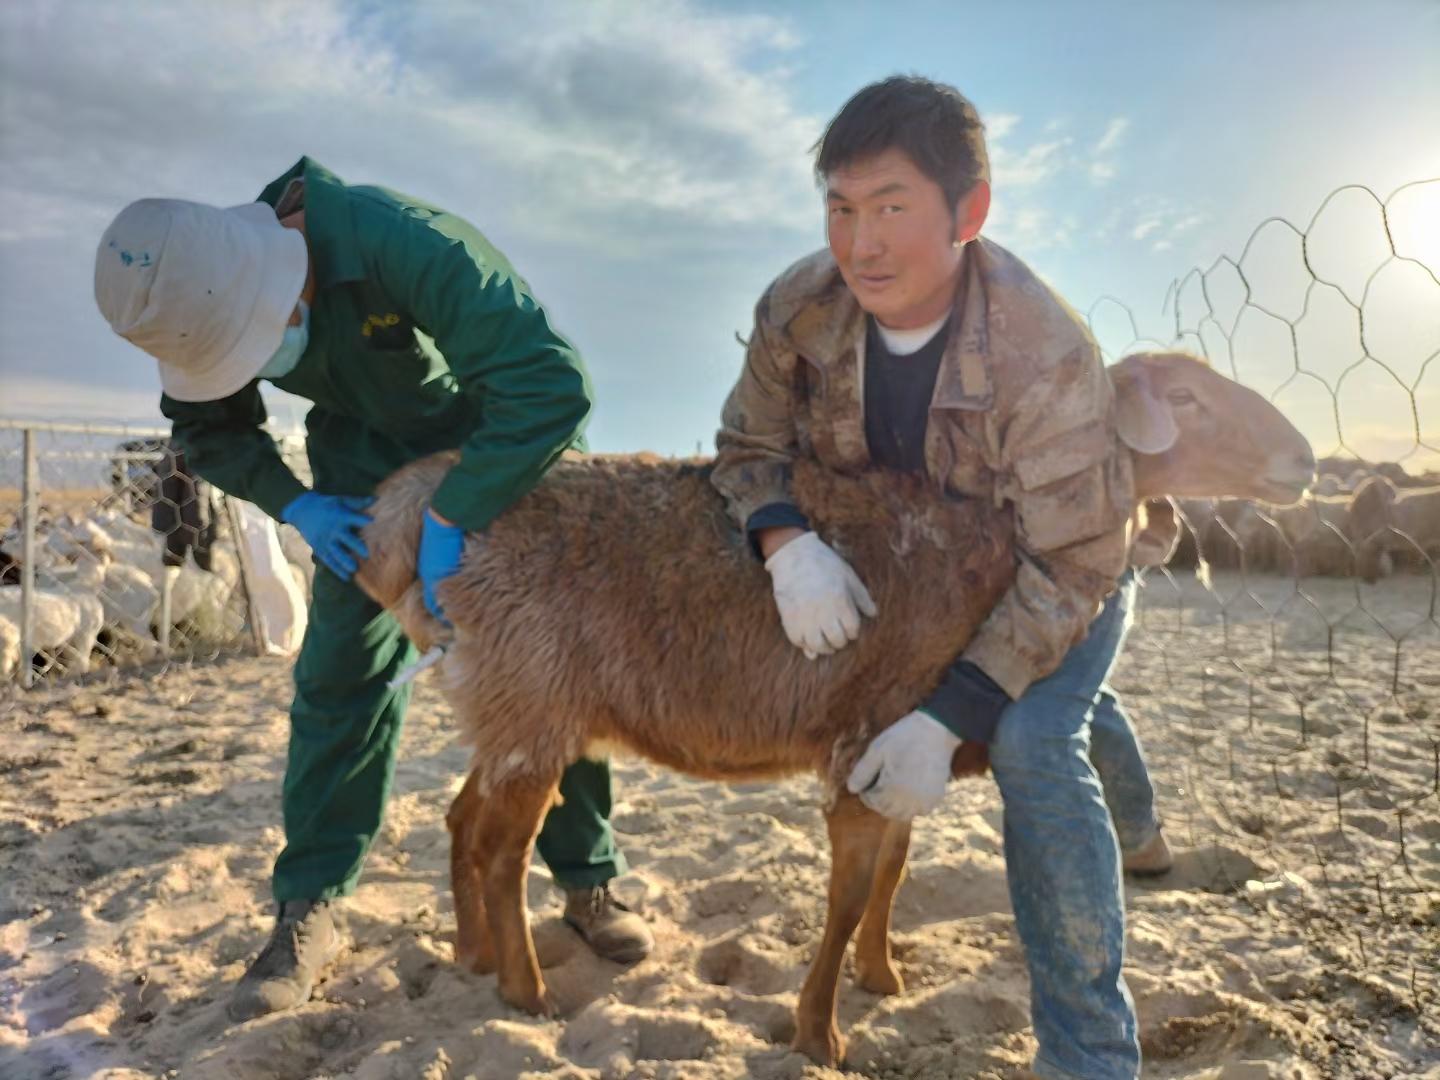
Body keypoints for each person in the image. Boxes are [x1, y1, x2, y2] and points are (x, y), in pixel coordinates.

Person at [94, 158, 652, 1022]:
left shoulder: (410, 248)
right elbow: (209, 431)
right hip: (362, 487)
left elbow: (549, 385)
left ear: (283, 273)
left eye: (262, 343)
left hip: (502, 466)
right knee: (337, 680)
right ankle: (309, 904)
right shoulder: (201, 297)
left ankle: (587, 882)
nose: (263, 362)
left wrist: (454, 515)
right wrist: (298, 505)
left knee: (551, 684)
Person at [711, 77, 1171, 1080]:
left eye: (890, 208)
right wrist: (784, 542)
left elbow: (1074, 561)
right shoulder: (799, 308)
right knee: (1071, 701)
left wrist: (952, 710)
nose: (860, 242)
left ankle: (1091, 1054)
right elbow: (745, 445)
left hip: (1063, 570)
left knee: (1037, 737)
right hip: (927, 584)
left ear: (969, 212)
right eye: (840, 207)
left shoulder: (1043, 353)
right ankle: (1139, 813)